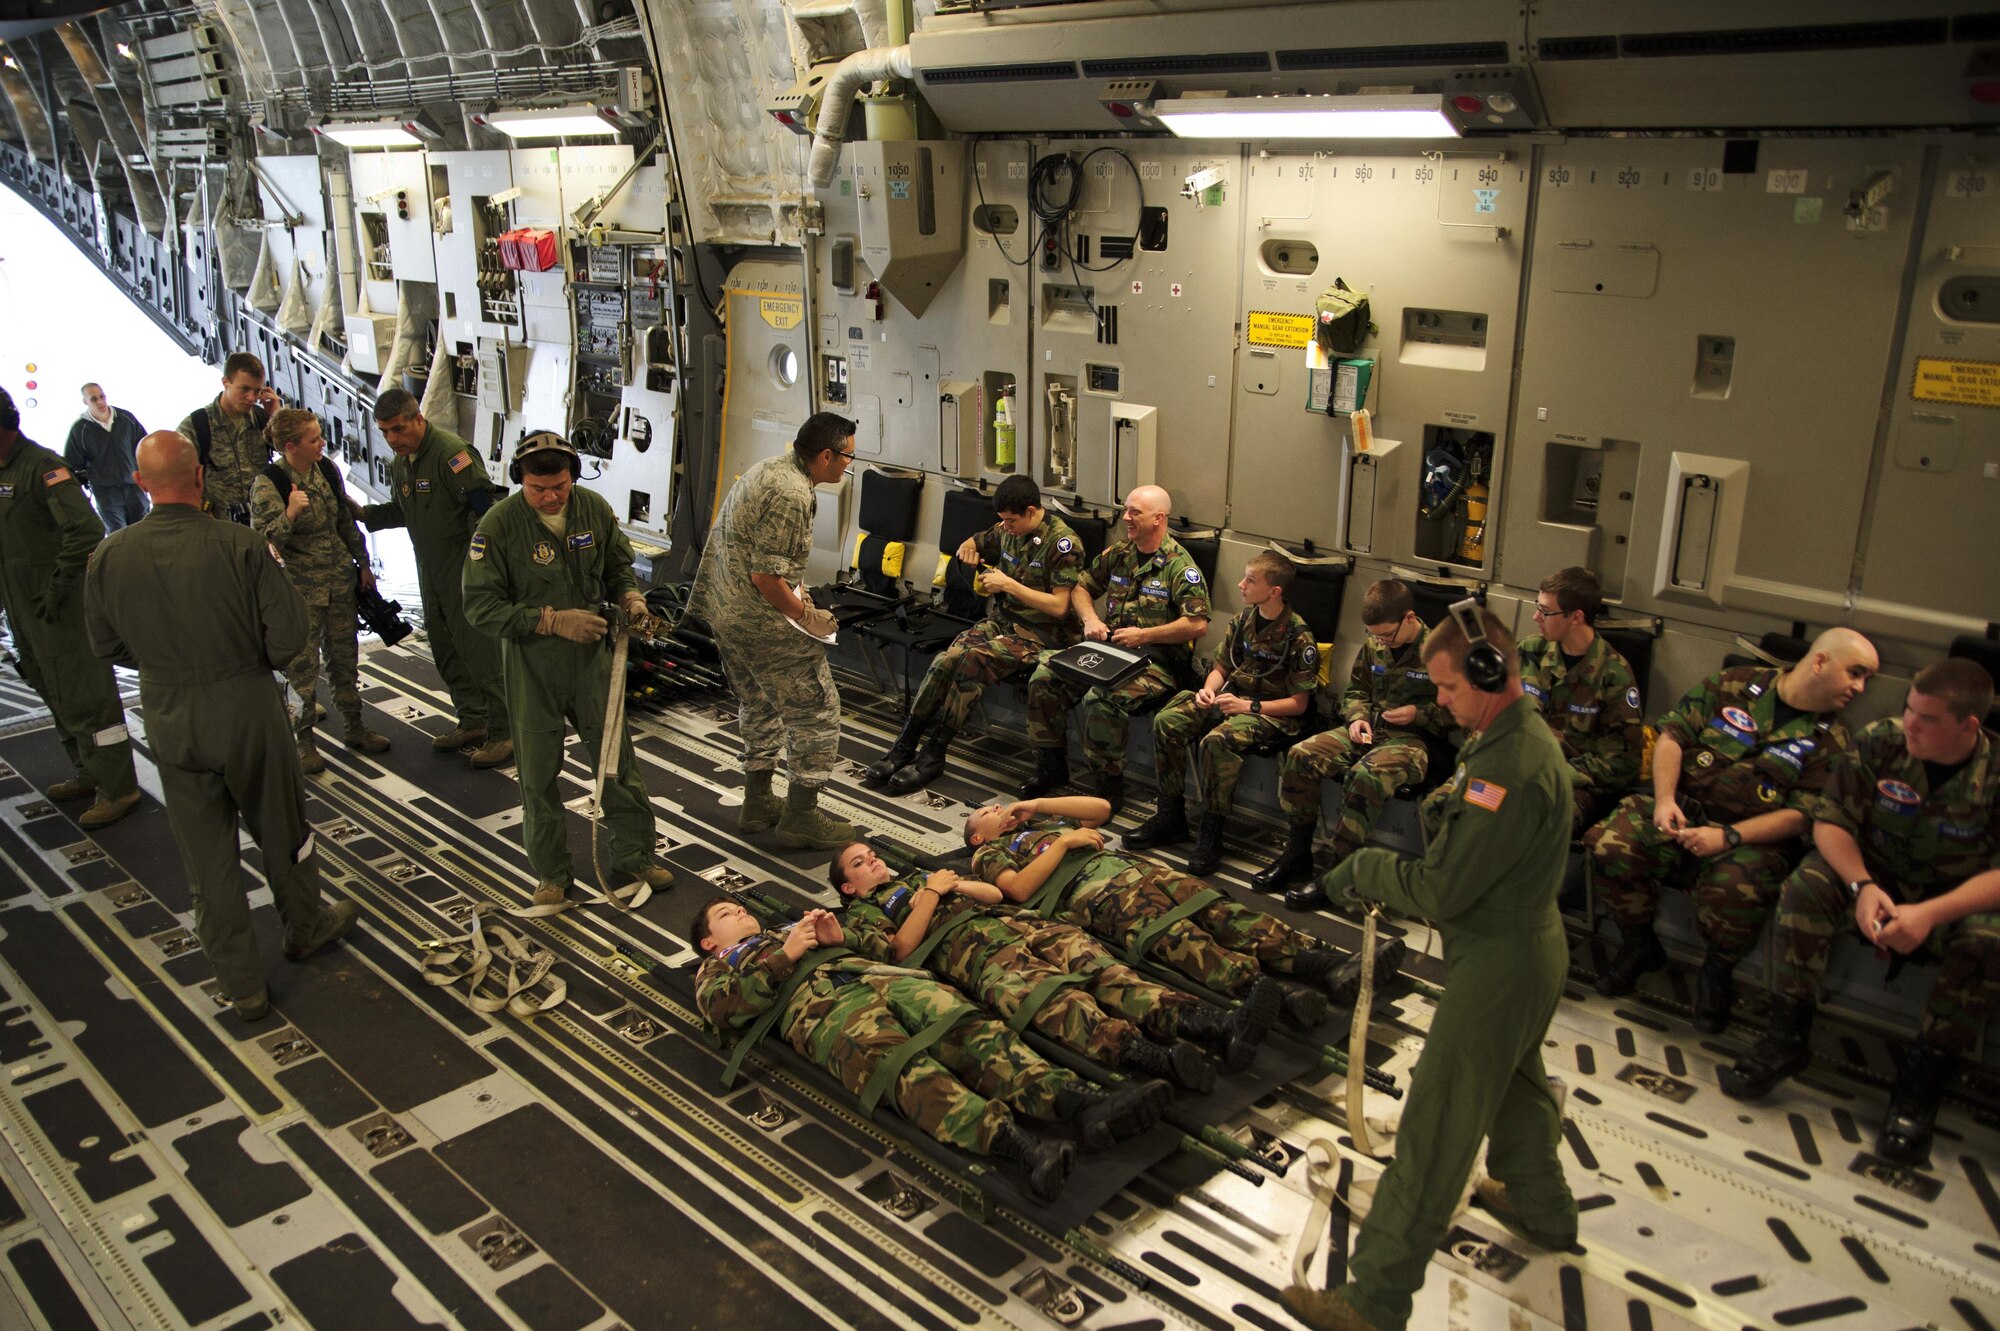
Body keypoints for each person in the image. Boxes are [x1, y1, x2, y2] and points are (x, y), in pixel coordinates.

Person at [1282, 607, 1577, 1331]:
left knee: (1436, 1128)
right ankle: (1543, 1206)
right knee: (1517, 1080)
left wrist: (1365, 869)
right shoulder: (1512, 737)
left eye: (1448, 687)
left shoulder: (1506, 769)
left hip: (1500, 962)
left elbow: (1445, 888)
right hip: (1524, 949)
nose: (1441, 700)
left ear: (1489, 673)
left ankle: (1373, 1300)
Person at [84, 431, 358, 1020]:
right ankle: (305, 927)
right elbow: (288, 641)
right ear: (201, 477)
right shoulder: (240, 546)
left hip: (169, 714)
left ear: (140, 484)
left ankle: (242, 986)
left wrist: (168, 666)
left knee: (206, 857)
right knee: (285, 830)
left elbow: (105, 645)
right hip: (246, 707)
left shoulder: (111, 554)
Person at [1720, 659, 1998, 1167]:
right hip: (1877, 875)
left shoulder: (1996, 773)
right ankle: (1785, 1036)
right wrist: (1863, 885)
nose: (1910, 724)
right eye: (1909, 709)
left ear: (1968, 727)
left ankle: (1920, 1086)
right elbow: (1831, 824)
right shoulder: (1880, 741)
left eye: (1928, 719)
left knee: (1988, 941)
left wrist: (1929, 914)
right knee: (1807, 885)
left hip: (1954, 896)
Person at [694, 898, 1108, 1201]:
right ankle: (1017, 1146)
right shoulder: (718, 968)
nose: (739, 912)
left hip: (877, 976)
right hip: (823, 1012)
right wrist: (784, 958)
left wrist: (841, 936)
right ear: (710, 942)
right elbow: (723, 1009)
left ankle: (1071, 1099)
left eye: (738, 907)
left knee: (966, 1029)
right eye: (724, 914)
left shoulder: (788, 931)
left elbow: (883, 947)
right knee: (906, 1070)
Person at [1587, 627, 1877, 1031]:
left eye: (1868, 679)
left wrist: (1729, 836)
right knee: (1609, 845)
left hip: (1751, 836)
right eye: (1856, 672)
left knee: (1736, 888)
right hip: (1682, 807)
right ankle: (1638, 945)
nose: (1861, 687)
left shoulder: (1833, 740)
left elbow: (1802, 814)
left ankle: (1717, 970)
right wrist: (1666, 799)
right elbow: (1673, 735)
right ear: (1821, 661)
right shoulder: (1734, 685)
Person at [833, 840, 1281, 1090]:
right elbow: (901, 950)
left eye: (872, 854)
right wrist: (932, 895)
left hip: (1019, 927)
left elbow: (995, 895)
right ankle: (1155, 1058)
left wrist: (948, 886)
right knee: (1060, 1003)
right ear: (848, 888)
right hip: (977, 957)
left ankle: (1209, 1025)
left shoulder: (921, 879)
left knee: (1106, 973)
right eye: (860, 863)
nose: (872, 861)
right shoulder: (862, 915)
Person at [461, 430, 673, 908]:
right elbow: (479, 607)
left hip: (592, 660)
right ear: (520, 481)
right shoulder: (497, 528)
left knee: (616, 764)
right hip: (532, 665)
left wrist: (631, 597)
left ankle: (635, 854)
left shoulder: (593, 509)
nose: (552, 496)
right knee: (537, 775)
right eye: (539, 489)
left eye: (560, 486)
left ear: (572, 477)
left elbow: (618, 565)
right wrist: (551, 620)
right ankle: (552, 874)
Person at [965, 794, 1403, 1023]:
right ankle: (1278, 997)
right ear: (977, 837)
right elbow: (1018, 891)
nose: (999, 809)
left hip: (1135, 871)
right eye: (988, 812)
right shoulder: (988, 855)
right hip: (1094, 895)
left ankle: (1322, 964)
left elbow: (1100, 810)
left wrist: (1038, 806)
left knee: (1217, 910)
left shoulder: (1037, 821)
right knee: (1182, 940)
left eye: (999, 804)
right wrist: (1062, 842)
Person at [687, 413, 857, 849]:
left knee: (759, 700)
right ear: (825, 455)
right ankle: (801, 814)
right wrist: (805, 617)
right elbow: (767, 577)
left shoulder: (770, 468)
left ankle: (758, 801)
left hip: (726, 611)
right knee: (816, 709)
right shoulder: (793, 494)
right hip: (760, 619)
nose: (846, 468)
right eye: (847, 459)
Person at [865, 476, 1082, 795]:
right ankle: (905, 744)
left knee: (972, 661)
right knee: (946, 660)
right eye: (1002, 520)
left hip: (1043, 634)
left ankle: (934, 754)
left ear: (1031, 511)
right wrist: (969, 545)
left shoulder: (1063, 543)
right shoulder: (1006, 530)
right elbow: (978, 541)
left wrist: (1009, 585)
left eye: (1010, 520)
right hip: (1005, 622)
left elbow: (1061, 607)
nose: (1004, 526)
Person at [1019, 484, 1211, 814]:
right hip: (1110, 651)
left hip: (1156, 663)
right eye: (1126, 510)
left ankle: (1107, 789)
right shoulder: (1121, 553)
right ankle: (1050, 766)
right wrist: (1091, 618)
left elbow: (1197, 624)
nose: (1126, 518)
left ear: (1159, 519)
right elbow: (1081, 587)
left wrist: (1145, 635)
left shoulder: (1179, 566)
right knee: (1045, 675)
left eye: (1135, 512)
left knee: (1102, 698)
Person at [0, 386, 142, 829]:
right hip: (25, 607)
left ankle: (119, 786)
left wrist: (59, 584)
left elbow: (85, 530)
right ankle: (88, 769)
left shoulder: (41, 468)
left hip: (58, 606)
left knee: (89, 696)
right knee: (51, 687)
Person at [1128, 550, 1317, 877]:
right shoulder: (1243, 619)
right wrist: (1210, 689)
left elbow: (1299, 704)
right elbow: (1221, 666)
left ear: (1274, 591)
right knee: (1168, 720)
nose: (1241, 585)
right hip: (1233, 696)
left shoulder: (1298, 635)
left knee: (1217, 741)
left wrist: (1249, 707)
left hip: (1271, 712)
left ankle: (1211, 831)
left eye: (1251, 580)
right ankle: (1170, 814)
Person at [1266, 579, 1450, 903]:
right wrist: (1357, 717)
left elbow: (1463, 713)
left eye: (1386, 634)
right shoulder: (1375, 644)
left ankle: (1338, 876)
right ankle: (1298, 854)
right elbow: (1357, 690)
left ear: (1409, 618)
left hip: (1415, 740)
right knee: (1300, 755)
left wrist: (1419, 713)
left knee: (1366, 775)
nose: (1380, 641)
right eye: (1374, 635)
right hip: (1371, 728)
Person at [1423, 567, 1643, 837]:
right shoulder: (1529, 651)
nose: (1535, 616)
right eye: (1537, 607)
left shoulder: (1613, 674)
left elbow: (1623, 765)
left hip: (1567, 781)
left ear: (1576, 617)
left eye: (1546, 611)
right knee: (1439, 806)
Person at [355, 388, 511, 768]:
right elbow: (405, 509)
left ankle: (505, 731)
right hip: (429, 570)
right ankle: (472, 720)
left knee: (480, 652)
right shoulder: (403, 462)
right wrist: (362, 513)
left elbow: (484, 511)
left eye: (397, 429)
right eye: (385, 432)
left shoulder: (451, 454)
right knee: (445, 649)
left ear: (417, 419)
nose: (392, 439)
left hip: (462, 570)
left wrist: (481, 567)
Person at [250, 408, 390, 774]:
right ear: (290, 446)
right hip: (299, 596)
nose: (322, 444)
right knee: (302, 671)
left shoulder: (326, 470)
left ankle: (355, 726)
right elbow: (262, 546)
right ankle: (304, 741)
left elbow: (345, 522)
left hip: (339, 584)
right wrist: (290, 514)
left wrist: (362, 564)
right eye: (314, 440)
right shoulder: (269, 485)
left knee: (345, 661)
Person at [177, 352, 280, 523]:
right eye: (245, 389)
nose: (251, 398)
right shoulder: (196, 426)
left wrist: (276, 417)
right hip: (218, 528)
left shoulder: (263, 420)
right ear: (226, 382)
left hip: (262, 523)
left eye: (257, 391)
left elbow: (293, 452)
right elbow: (179, 482)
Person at [63, 383, 148, 531]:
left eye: (102, 396)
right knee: (118, 535)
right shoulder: (80, 430)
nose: (100, 401)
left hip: (134, 486)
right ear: (85, 402)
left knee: (144, 529)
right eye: (94, 399)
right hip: (106, 493)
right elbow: (72, 464)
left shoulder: (125, 418)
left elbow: (144, 446)